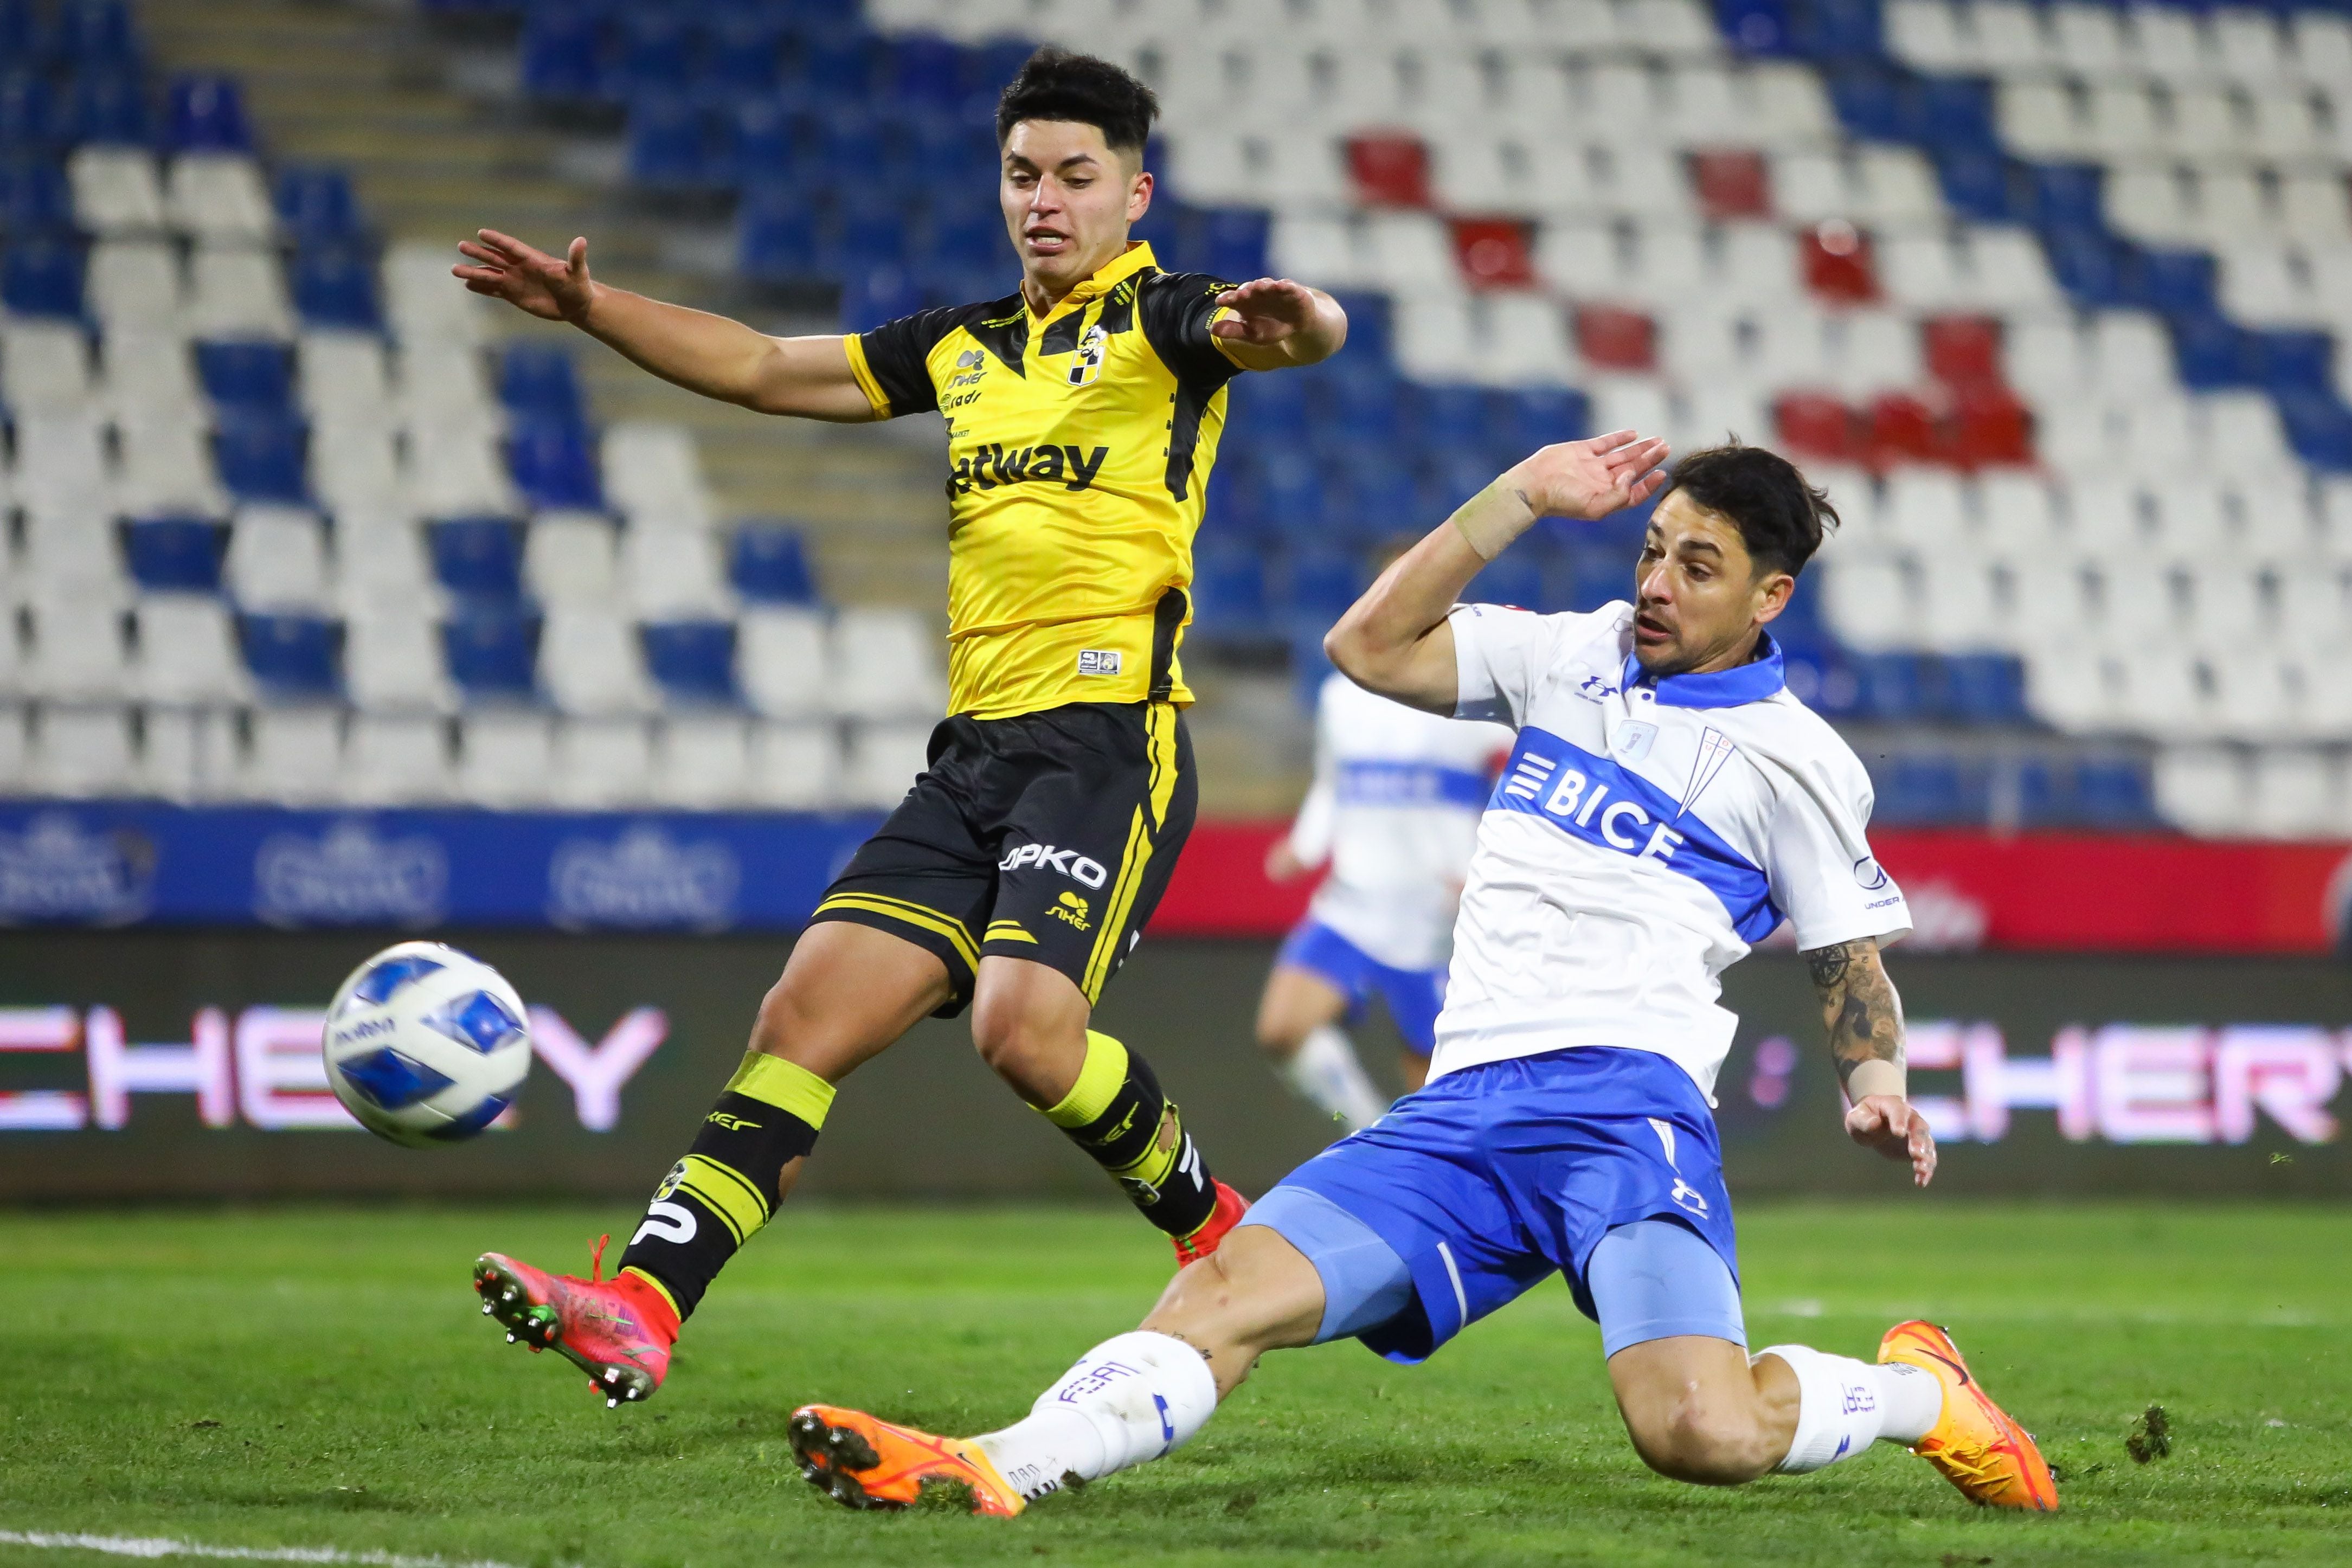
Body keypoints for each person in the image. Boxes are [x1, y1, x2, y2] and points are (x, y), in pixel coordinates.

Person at [781, 435, 2059, 1516]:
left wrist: (1873, 1078)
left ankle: (1918, 1392)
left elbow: (1849, 963)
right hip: (1456, 1112)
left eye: (1697, 564)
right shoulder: (1568, 654)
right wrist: (1516, 495)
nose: (1656, 581)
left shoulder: (1798, 761)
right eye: (1651, 546)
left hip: (1620, 1113)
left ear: (1768, 598)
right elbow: (1367, 644)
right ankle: (990, 1465)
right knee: (1221, 1291)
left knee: (1696, 1435)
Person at [460, 47, 1348, 1408]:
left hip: (1106, 743)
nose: (1043, 201)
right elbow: (761, 367)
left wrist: (1305, 317)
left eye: (1074, 177)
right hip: (974, 757)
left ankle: (1215, 1228)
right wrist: (590, 308)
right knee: (801, 1013)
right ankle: (640, 1303)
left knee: (1021, 1032)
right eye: (1020, 176)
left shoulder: (1169, 322)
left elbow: (1285, 336)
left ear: (1131, 192)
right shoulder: (964, 347)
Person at [1256, 670, 1503, 1129]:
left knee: (1435, 1092)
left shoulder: (1465, 690)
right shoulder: (1340, 695)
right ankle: (1365, 1128)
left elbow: (1530, 768)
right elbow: (1332, 781)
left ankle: (1432, 1183)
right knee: (1282, 1030)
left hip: (1433, 920)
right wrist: (1306, 845)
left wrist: (1488, 863)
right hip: (1351, 903)